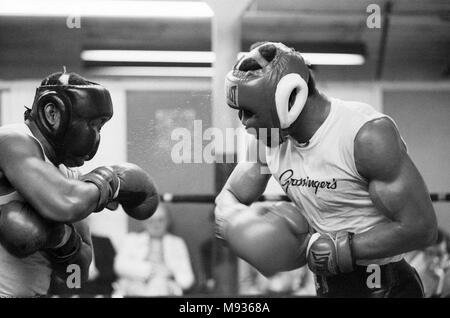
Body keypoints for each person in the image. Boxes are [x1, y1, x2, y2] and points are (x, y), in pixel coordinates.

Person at [215, 42, 438, 297]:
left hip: (387, 287)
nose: (243, 122)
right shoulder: (267, 141)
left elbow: (422, 228)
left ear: (289, 99)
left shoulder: (364, 136)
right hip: (327, 286)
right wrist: (236, 224)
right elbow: (230, 196)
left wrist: (341, 250)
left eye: (250, 112)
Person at [0, 70, 159, 297]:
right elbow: (65, 202)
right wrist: (109, 181)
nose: (95, 138)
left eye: (100, 128)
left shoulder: (72, 178)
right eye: (92, 124)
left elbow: (76, 274)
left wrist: (60, 239)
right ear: (53, 113)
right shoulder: (12, 140)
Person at [114, 204, 194, 296]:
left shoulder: (177, 243)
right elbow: (119, 266)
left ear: (168, 221)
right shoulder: (132, 239)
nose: (156, 225)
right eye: (151, 221)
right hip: (134, 285)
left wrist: (170, 272)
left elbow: (187, 280)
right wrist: (151, 270)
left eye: (160, 220)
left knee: (158, 284)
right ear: (144, 222)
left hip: (164, 287)